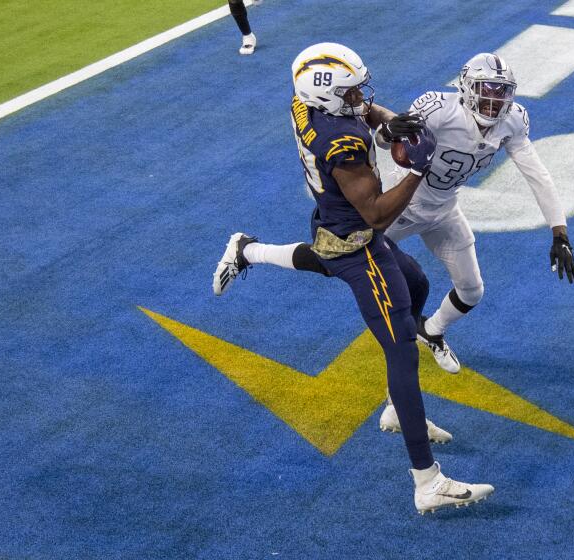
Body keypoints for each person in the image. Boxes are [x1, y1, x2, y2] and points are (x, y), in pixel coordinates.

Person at [230, 53, 574, 437]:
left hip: (445, 210)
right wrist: (389, 132)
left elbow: (536, 173)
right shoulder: (437, 110)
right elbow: (385, 139)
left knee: (472, 290)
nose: (494, 103)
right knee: (334, 260)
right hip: (400, 206)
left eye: (501, 95)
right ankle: (249, 251)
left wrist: (558, 230)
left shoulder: (512, 121)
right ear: (465, 89)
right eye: (486, 93)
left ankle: (431, 331)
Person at [212, 42, 494, 514]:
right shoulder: (341, 147)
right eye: (351, 90)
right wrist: (419, 171)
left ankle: (247, 250)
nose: (360, 95)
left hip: (334, 221)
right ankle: (427, 481)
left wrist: (387, 119)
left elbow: (359, 110)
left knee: (417, 283)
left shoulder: (305, 103)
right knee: (402, 347)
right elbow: (379, 214)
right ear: (329, 96)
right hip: (358, 238)